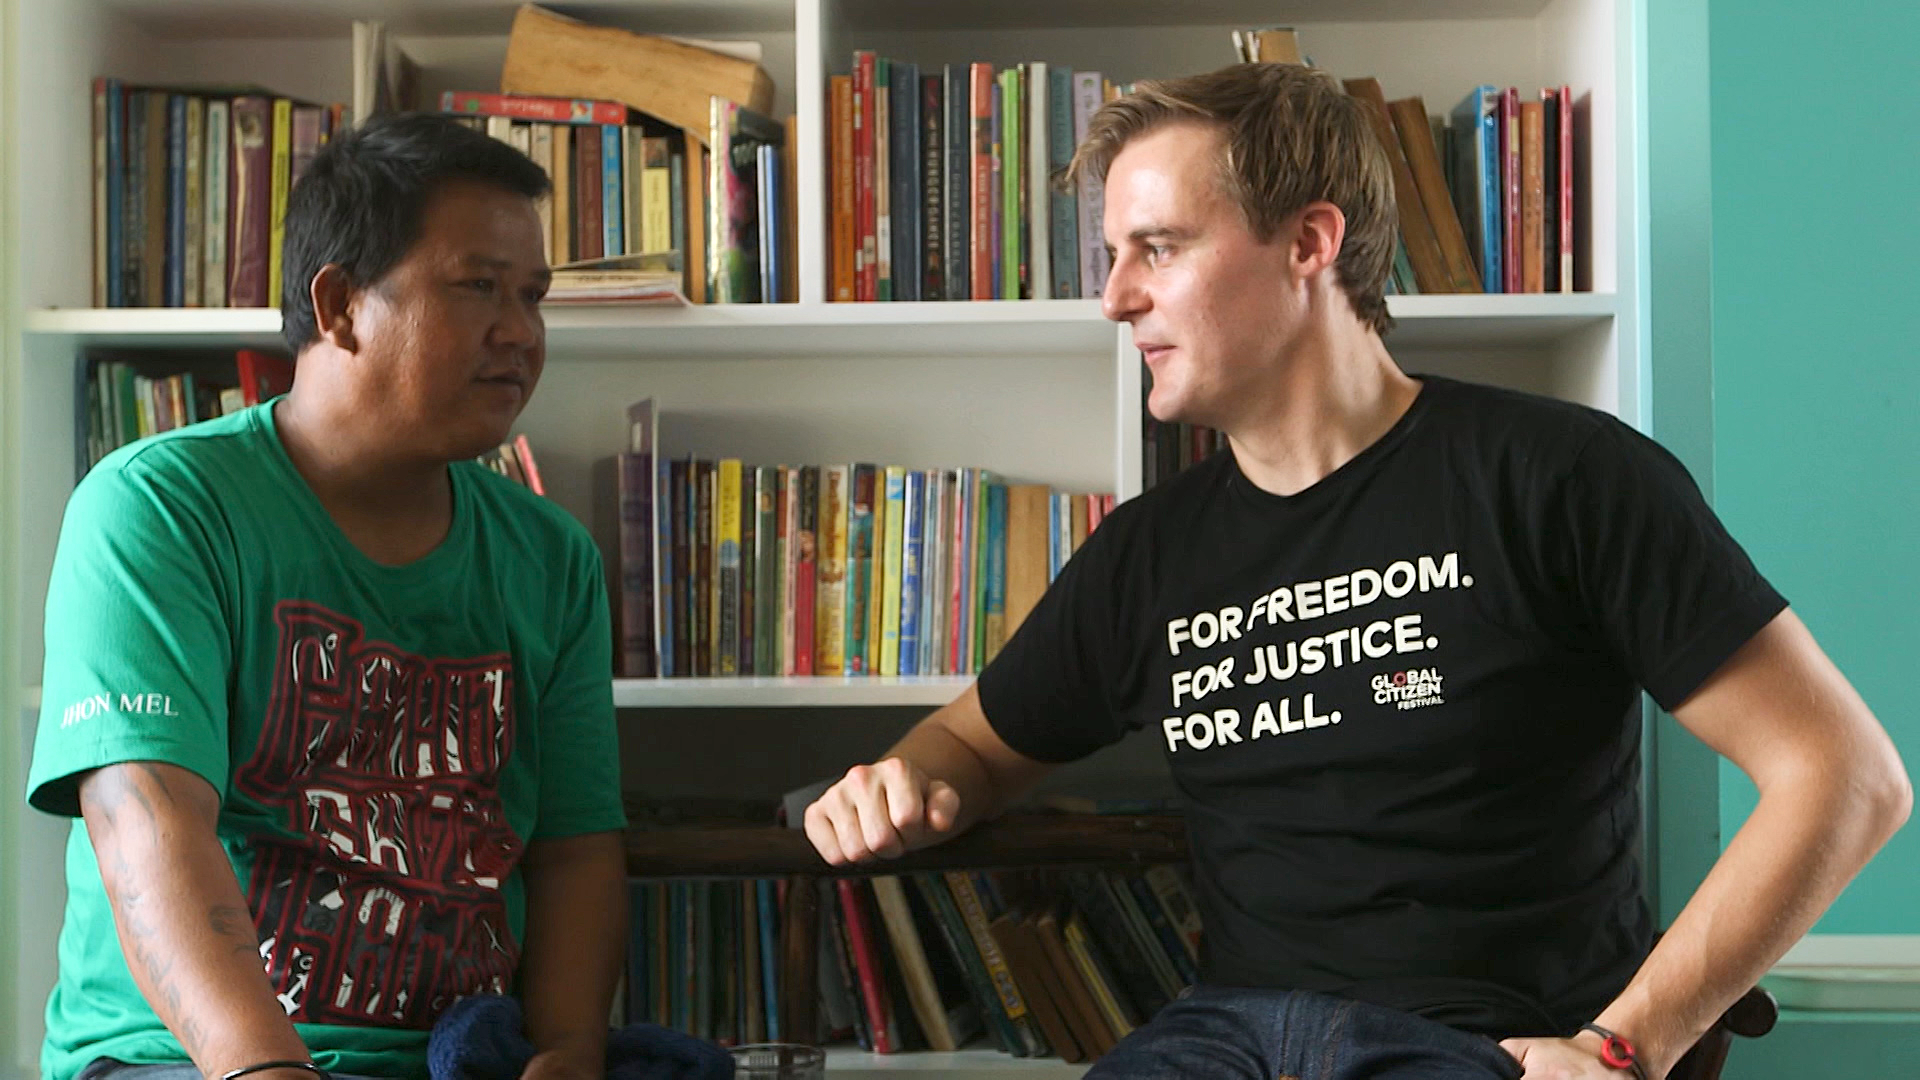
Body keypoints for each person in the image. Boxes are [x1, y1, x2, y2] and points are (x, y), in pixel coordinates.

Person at [803, 63, 1911, 1079]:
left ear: (1309, 242)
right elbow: (967, 747)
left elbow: (1846, 776)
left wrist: (1622, 1047)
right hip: (1224, 1041)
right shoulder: (1147, 553)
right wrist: (900, 781)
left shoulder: (1559, 478)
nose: (1116, 297)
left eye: (1159, 248)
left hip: (1484, 1045)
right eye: (1114, 255)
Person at [27, 113, 627, 1080]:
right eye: (478, 286)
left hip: (456, 1056)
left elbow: (574, 851)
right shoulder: (159, 508)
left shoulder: (551, 557)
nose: (521, 332)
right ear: (341, 303)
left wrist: (567, 1050)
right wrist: (268, 1070)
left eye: (533, 296)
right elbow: (146, 819)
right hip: (193, 1061)